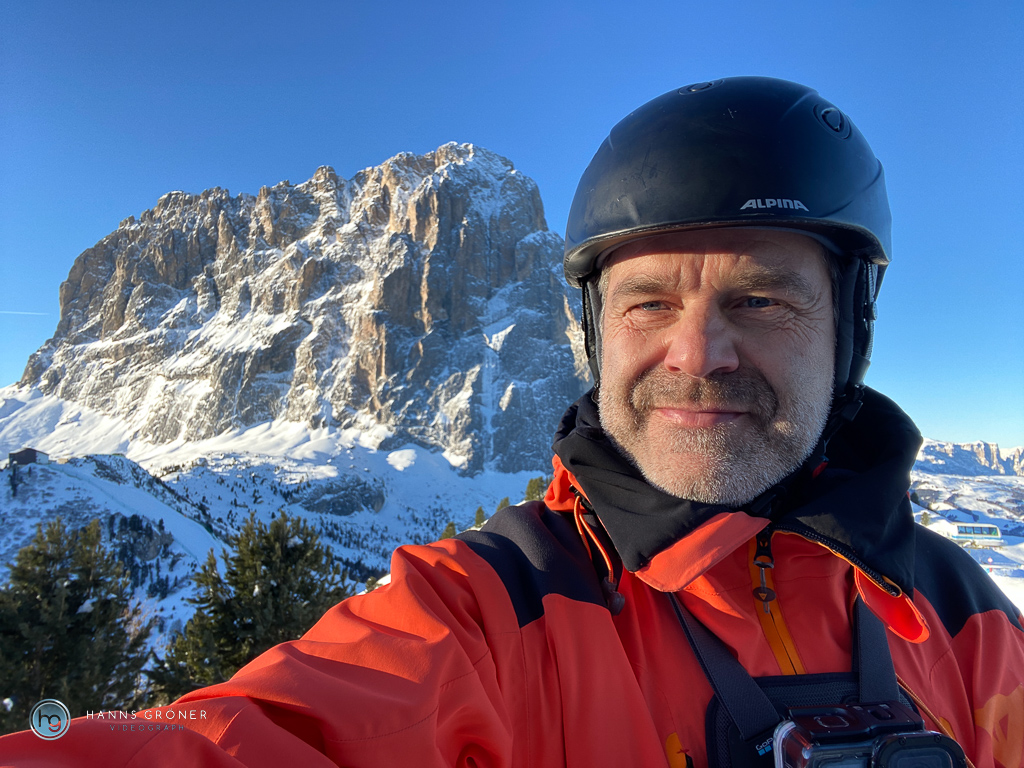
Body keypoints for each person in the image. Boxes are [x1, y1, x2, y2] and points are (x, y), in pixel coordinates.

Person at [3, 76, 1022, 768]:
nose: (698, 353)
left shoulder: (962, 616)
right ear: (591, 334)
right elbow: (243, 738)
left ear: (849, 331)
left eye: (761, 300)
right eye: (649, 303)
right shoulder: (493, 614)